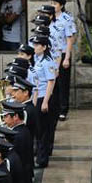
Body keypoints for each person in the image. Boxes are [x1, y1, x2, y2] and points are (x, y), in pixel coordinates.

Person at [48, 0, 77, 121]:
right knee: (50, 81)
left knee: (62, 83)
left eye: (55, 3)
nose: (52, 5)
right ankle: (52, 106)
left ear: (61, 5)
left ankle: (63, 109)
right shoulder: (48, 18)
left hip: (62, 54)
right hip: (50, 55)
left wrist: (67, 58)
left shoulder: (66, 19)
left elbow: (70, 39)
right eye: (51, 3)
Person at [30, 34, 58, 168]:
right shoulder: (34, 59)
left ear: (44, 47)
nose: (34, 47)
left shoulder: (48, 62)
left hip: (43, 97)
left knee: (43, 131)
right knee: (36, 129)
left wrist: (46, 101)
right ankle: (38, 153)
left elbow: (50, 82)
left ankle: (42, 159)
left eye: (37, 45)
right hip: (35, 97)